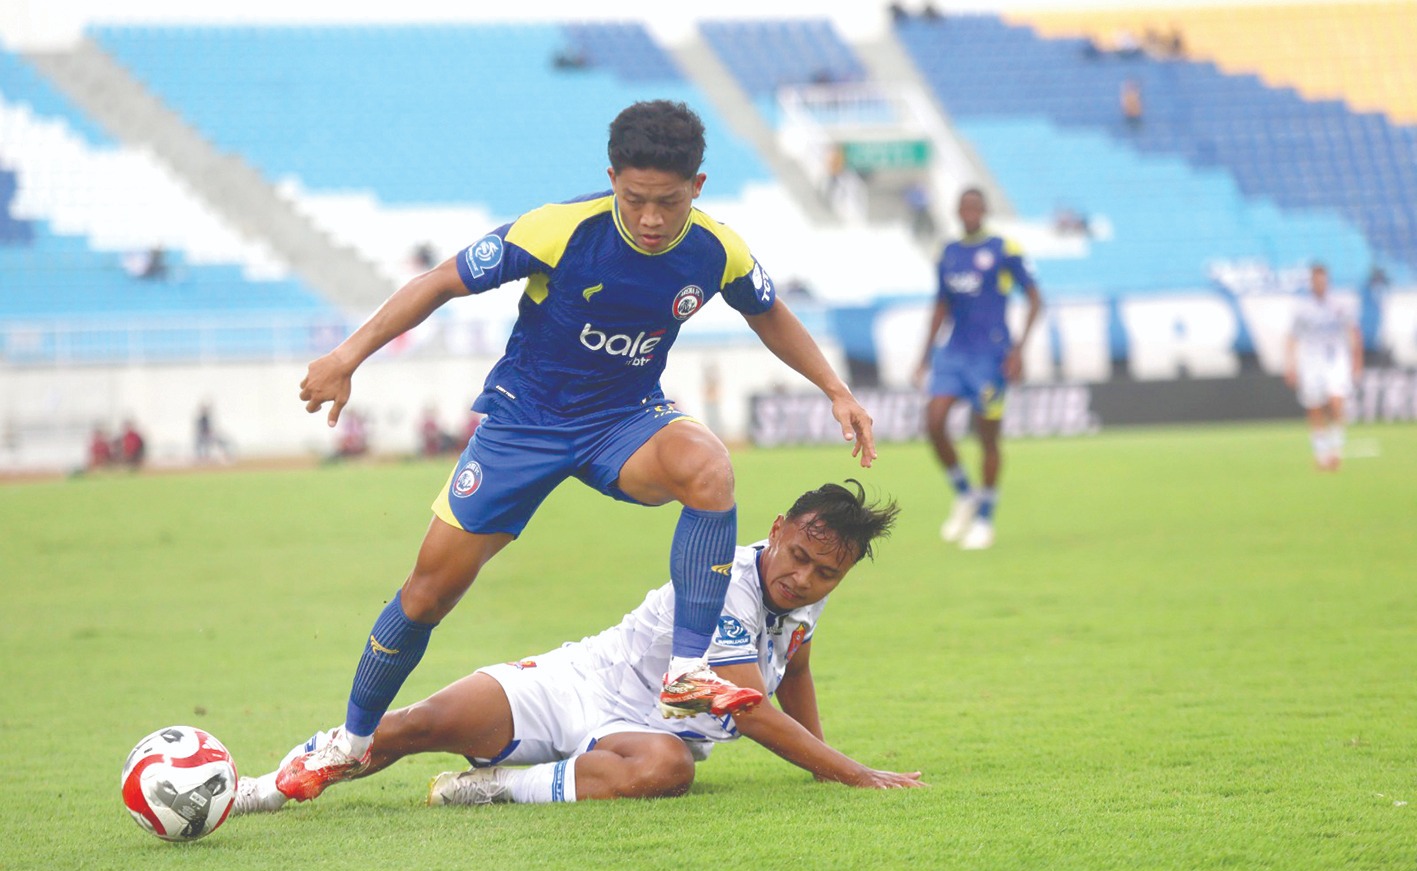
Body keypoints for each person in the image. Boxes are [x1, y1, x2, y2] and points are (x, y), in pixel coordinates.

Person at [280, 100, 877, 803]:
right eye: (634, 200)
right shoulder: (560, 229)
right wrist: (348, 356)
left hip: (624, 421)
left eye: (668, 202)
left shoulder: (716, 249)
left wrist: (835, 388)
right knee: (427, 592)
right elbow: (440, 280)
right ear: (610, 180)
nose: (651, 219)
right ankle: (351, 737)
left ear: (699, 187)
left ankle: (688, 669)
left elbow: (767, 310)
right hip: (523, 424)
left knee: (708, 467)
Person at [233, 482, 921, 814]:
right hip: (574, 683)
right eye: (796, 556)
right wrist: (848, 772)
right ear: (774, 529)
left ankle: (493, 790)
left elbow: (795, 664)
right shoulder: (727, 583)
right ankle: (253, 793)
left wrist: (817, 758)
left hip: (642, 730)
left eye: (824, 572)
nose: (801, 577)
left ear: (842, 574)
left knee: (666, 768)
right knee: (413, 728)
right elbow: (750, 709)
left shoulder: (804, 597)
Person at [915, 188, 1043, 551]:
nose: (970, 212)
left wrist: (1019, 349)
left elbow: (1035, 298)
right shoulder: (949, 253)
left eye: (976, 206)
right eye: (964, 207)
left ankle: (985, 517)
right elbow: (941, 305)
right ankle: (963, 492)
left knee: (987, 437)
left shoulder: (1005, 250)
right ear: (958, 212)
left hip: (991, 356)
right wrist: (924, 356)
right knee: (934, 421)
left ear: (984, 211)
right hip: (953, 353)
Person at [1284, 263, 1362, 471]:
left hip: (1335, 359)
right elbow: (1292, 337)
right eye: (1316, 280)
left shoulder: (1340, 305)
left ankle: (1335, 452)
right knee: (1315, 407)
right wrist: (1290, 365)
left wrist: (1356, 361)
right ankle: (1321, 455)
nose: (1320, 284)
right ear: (1311, 282)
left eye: (1323, 280)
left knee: (1336, 402)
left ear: (1327, 281)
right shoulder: (1302, 309)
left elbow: (1353, 332)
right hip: (1311, 361)